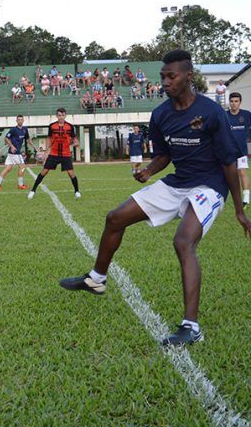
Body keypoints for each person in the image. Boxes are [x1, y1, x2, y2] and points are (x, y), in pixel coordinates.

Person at [59, 50, 251, 346]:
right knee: (115, 218)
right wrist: (149, 171)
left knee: (183, 242)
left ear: (188, 76)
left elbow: (228, 163)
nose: (165, 82)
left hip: (209, 187)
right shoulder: (160, 114)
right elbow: (164, 155)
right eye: (162, 76)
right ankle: (97, 279)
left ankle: (191, 328)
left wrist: (239, 209)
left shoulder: (212, 112)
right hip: (177, 183)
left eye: (171, 76)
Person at [28, 108, 80, 200]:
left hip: (66, 154)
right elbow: (49, 138)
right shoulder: (52, 126)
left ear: (65, 115)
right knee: (44, 171)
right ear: (57, 116)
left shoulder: (70, 126)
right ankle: (33, 190)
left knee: (71, 173)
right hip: (54, 153)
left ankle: (77, 191)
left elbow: (74, 138)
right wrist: (47, 151)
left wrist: (76, 142)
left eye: (62, 115)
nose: (61, 117)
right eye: (59, 115)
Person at [0, 115, 37, 191]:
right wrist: (12, 146)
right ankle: (20, 185)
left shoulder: (25, 129)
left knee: (8, 168)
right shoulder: (13, 130)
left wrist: (34, 146)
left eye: (21, 120)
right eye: (19, 120)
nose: (20, 121)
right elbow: (6, 138)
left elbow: (28, 139)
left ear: (23, 121)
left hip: (12, 153)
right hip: (15, 152)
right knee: (22, 167)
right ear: (16, 121)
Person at [227, 92, 251, 207]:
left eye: (236, 101)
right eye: (232, 101)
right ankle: (223, 196)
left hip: (241, 151)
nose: (234, 104)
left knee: (242, 172)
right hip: (227, 151)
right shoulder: (224, 115)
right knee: (227, 174)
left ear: (240, 102)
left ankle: (246, 198)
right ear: (229, 102)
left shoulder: (247, 115)